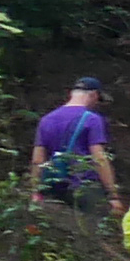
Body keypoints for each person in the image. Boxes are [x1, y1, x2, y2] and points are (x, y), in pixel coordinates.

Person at [32, 77, 120, 214]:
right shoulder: (92, 119)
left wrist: (36, 191)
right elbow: (100, 159)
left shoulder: (46, 120)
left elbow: (37, 160)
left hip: (52, 187)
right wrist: (113, 195)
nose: (96, 103)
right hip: (84, 188)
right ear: (94, 95)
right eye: (98, 100)